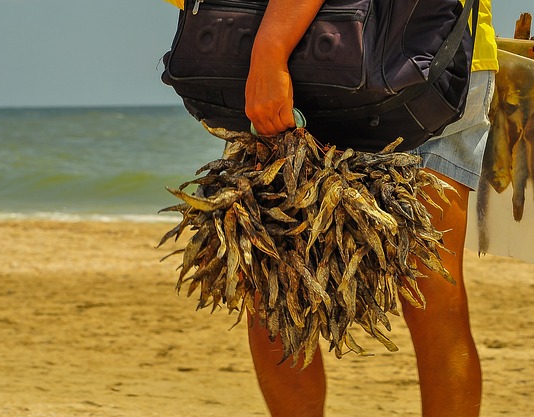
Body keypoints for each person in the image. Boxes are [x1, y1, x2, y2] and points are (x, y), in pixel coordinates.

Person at [166, 1, 498, 415]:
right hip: (424, 49)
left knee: (277, 283)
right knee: (431, 295)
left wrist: (270, 47)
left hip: (330, 54)